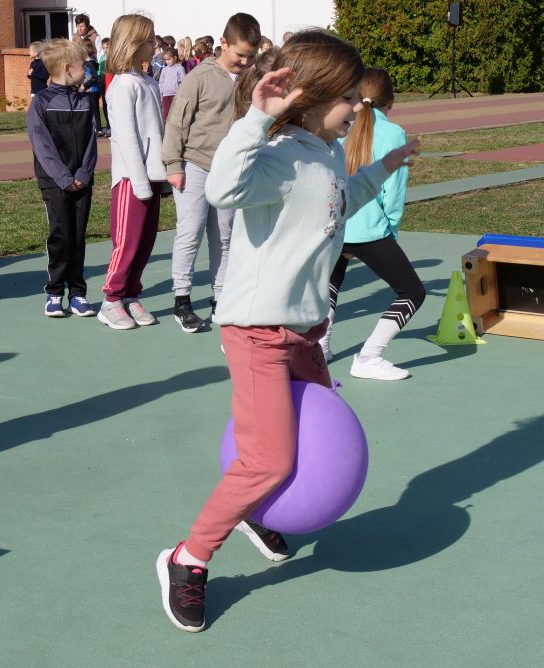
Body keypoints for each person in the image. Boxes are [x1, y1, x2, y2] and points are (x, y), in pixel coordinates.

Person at [155, 30, 419, 632]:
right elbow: (222, 188)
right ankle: (188, 558)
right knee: (267, 461)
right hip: (257, 333)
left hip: (303, 331)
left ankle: (259, 512)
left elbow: (339, 202)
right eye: (349, 96)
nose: (358, 107)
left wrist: (383, 168)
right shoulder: (275, 154)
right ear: (313, 96)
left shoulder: (324, 153)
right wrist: (256, 118)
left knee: (306, 437)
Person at [321, 68, 425, 380]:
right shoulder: (393, 133)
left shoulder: (341, 125)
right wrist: (389, 231)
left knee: (332, 282)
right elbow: (394, 191)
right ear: (390, 102)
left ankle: (320, 347)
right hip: (369, 228)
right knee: (412, 292)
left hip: (336, 221)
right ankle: (369, 356)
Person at [162, 13, 260, 333]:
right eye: (239, 55)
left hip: (229, 171)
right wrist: (173, 165)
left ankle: (221, 299)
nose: (244, 62)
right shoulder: (200, 76)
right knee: (190, 233)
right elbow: (177, 121)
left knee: (224, 235)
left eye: (250, 56)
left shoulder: (249, 79)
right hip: (195, 165)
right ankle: (182, 300)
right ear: (223, 43)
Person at [97, 14, 164, 330]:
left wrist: (159, 176)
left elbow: (156, 133)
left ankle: (131, 294)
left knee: (145, 241)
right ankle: (111, 300)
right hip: (130, 179)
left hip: (152, 177)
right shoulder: (123, 86)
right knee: (127, 242)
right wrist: (139, 182)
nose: (154, 44)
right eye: (149, 40)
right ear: (133, 43)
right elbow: (127, 138)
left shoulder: (149, 82)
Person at [27, 39, 97, 319]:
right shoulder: (41, 103)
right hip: (54, 182)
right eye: (83, 66)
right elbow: (42, 145)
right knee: (61, 236)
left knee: (78, 237)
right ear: (68, 68)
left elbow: (91, 142)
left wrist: (83, 174)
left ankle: (78, 293)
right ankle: (54, 292)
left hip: (82, 182)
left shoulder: (85, 101)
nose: (87, 71)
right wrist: (64, 177)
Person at [79, 38, 104, 136]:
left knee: (95, 110)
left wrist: (84, 85)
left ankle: (99, 129)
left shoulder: (91, 63)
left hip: (92, 90)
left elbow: (94, 77)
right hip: (86, 90)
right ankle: (91, 128)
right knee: (88, 110)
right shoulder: (85, 63)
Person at [158, 48, 184, 121]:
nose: (167, 61)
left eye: (168, 59)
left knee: (176, 115)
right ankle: (166, 127)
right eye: (165, 60)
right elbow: (161, 82)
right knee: (166, 115)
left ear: (175, 58)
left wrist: (181, 94)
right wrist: (161, 93)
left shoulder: (180, 68)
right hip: (165, 95)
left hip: (176, 95)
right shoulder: (164, 69)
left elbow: (183, 82)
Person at [97, 37, 111, 136]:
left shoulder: (113, 58)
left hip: (110, 83)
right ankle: (108, 125)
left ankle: (111, 125)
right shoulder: (102, 58)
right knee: (105, 105)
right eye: (103, 48)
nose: (105, 50)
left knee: (111, 105)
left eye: (107, 47)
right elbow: (99, 71)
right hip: (103, 81)